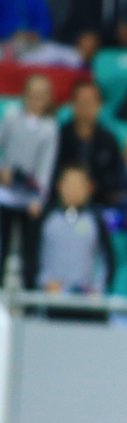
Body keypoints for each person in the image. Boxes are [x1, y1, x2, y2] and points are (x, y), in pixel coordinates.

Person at [0, 73, 57, 290]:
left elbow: (46, 165)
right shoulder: (11, 118)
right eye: (32, 95)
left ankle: (30, 303)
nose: (36, 100)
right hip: (5, 193)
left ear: (48, 99)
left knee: (29, 253)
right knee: (1, 250)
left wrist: (38, 198)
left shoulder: (50, 128)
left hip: (30, 197)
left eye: (41, 96)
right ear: (24, 95)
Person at [37, 165, 114, 296]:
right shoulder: (45, 218)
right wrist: (44, 282)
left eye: (79, 184)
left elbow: (107, 260)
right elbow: (32, 256)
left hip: (86, 301)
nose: (73, 189)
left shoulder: (96, 221)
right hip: (48, 297)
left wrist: (97, 288)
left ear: (89, 188)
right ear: (59, 185)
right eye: (69, 184)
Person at [54, 81, 126, 211]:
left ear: (99, 106)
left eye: (90, 102)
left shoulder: (109, 140)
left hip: (100, 205)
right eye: (81, 102)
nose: (85, 107)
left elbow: (117, 179)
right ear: (72, 105)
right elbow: (51, 175)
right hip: (61, 204)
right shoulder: (59, 136)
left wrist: (93, 188)